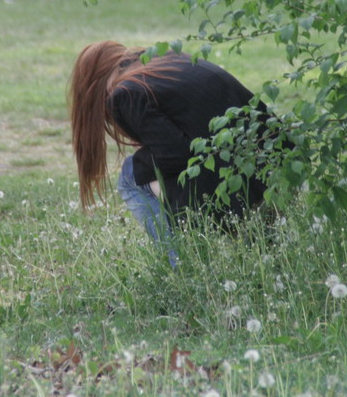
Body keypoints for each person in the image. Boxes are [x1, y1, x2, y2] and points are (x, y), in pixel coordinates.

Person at [67, 41, 266, 264]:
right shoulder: (166, 60)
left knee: (130, 177)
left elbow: (175, 155)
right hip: (270, 164)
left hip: (236, 183)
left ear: (93, 86)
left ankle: (182, 267)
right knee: (143, 167)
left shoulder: (126, 92)